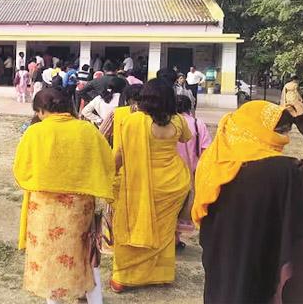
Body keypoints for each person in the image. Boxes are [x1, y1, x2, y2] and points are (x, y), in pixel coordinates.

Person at [193, 100, 303, 303]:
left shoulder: (213, 164)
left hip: (225, 271)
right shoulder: (283, 172)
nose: (284, 138)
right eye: (282, 131)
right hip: (270, 272)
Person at [13, 88, 115, 304]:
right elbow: (107, 163)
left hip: (44, 208)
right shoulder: (87, 130)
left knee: (50, 256)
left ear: (42, 110)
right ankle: (94, 299)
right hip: (79, 208)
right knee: (85, 255)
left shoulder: (34, 132)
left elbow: (21, 170)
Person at [110, 79, 192, 292]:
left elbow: (120, 154)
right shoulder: (178, 121)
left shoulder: (134, 121)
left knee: (134, 225)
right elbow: (185, 139)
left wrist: (108, 173)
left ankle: (125, 277)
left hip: (140, 185)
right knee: (164, 232)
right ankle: (160, 275)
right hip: (173, 183)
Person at [174, 95, 212, 249]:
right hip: (191, 170)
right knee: (185, 206)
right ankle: (176, 237)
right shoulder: (197, 124)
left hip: (170, 170)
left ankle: (171, 237)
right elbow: (205, 149)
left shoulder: (168, 123)